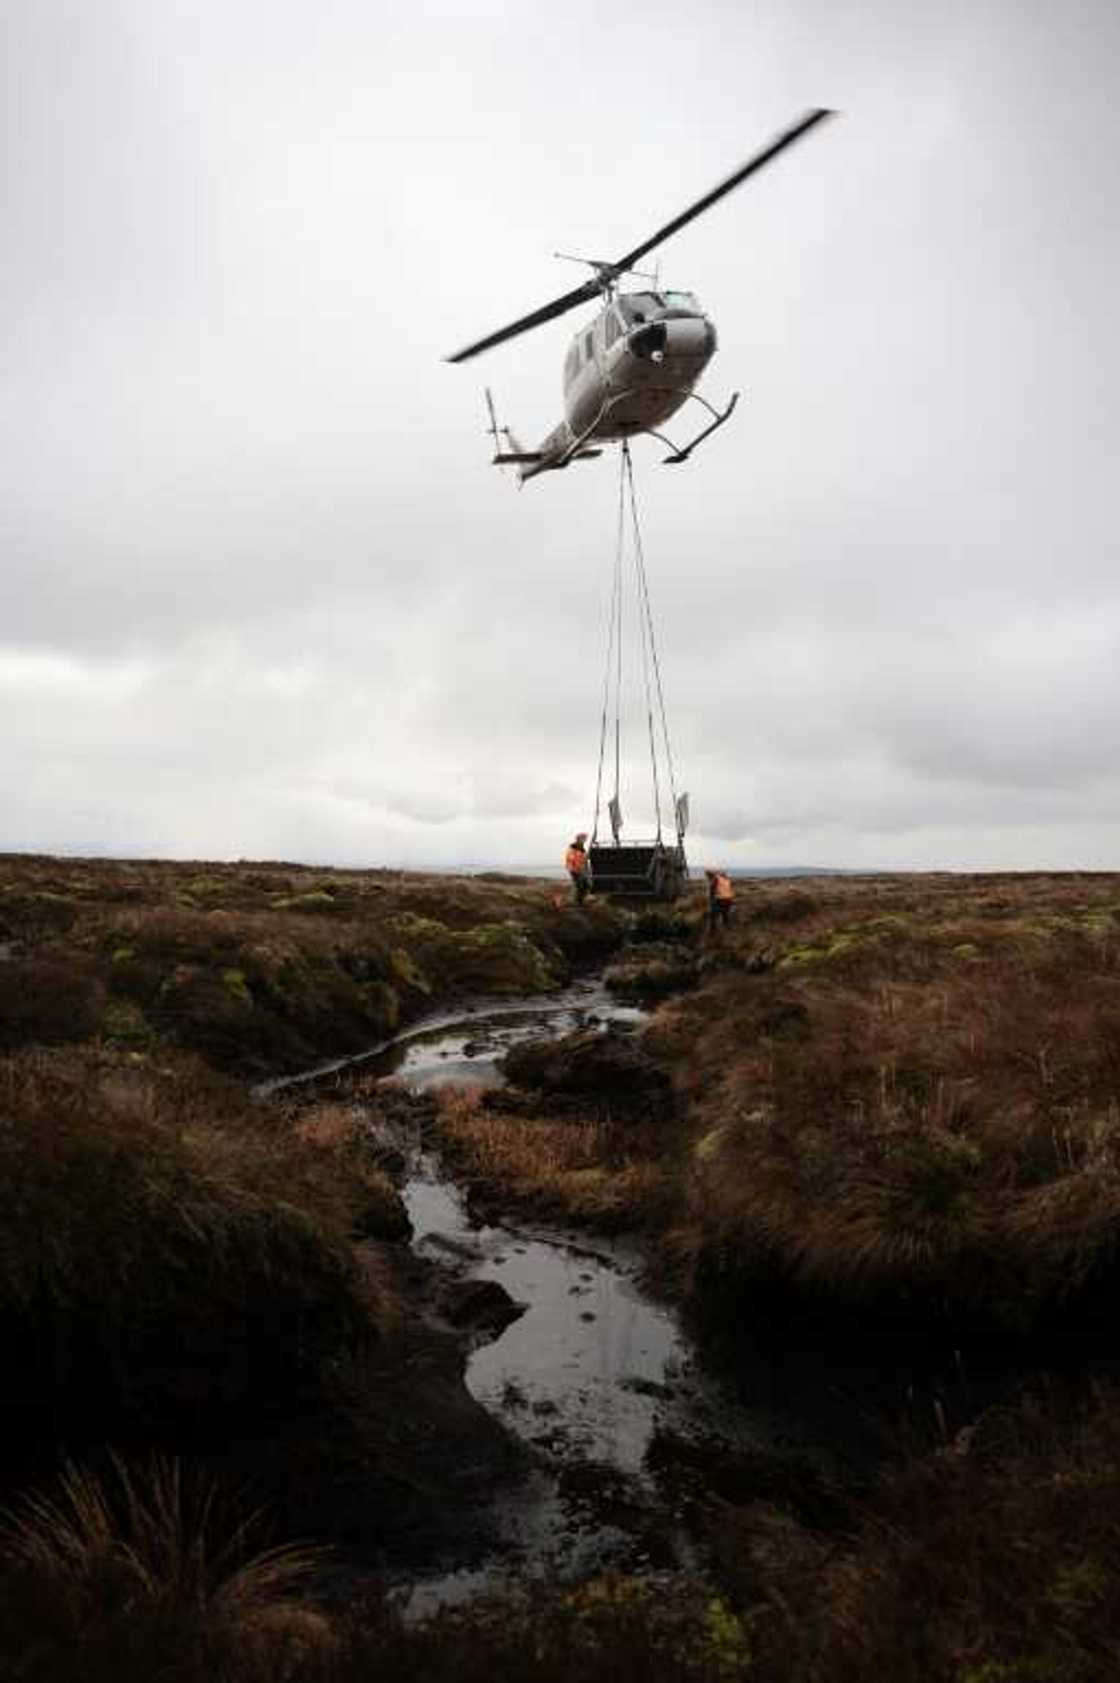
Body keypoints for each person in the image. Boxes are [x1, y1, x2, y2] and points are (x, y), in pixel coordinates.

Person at [565, 832, 591, 904]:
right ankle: (576, 901)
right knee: (579, 885)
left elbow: (583, 859)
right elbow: (570, 859)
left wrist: (586, 859)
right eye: (583, 839)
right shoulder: (573, 848)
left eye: (585, 839)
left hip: (582, 870)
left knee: (586, 885)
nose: (585, 840)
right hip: (575, 870)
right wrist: (574, 869)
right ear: (579, 839)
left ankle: (580, 900)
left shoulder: (581, 848)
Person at [706, 867, 734, 933]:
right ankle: (727, 929)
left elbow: (711, 891)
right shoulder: (727, 880)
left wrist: (711, 901)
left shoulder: (715, 879)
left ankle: (712, 931)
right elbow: (729, 889)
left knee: (713, 916)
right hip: (728, 900)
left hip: (720, 900)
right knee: (725, 914)